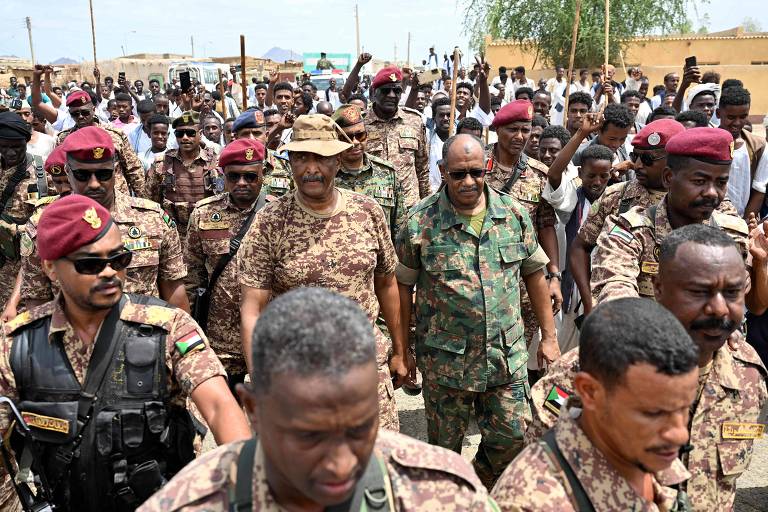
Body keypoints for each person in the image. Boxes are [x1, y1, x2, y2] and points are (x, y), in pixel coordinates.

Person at [140, 287, 496, 512]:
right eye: (310, 435)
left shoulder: (440, 493)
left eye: (359, 428)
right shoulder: (191, 502)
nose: (341, 463)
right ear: (253, 409)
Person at [0, 194, 250, 511]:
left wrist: (247, 487)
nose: (109, 273)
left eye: (118, 260)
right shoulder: (16, 344)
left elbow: (218, 405)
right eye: (90, 263)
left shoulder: (168, 328)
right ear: (50, 268)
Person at [527, 224, 768, 510]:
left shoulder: (748, 373)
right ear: (658, 289)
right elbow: (540, 459)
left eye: (732, 293)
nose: (719, 309)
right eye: (699, 292)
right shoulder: (590, 368)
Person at [396, 133, 559, 489]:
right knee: (444, 453)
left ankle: (476, 486)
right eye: (458, 174)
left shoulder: (513, 213)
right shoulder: (418, 222)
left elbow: (535, 274)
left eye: (476, 171)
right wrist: (402, 350)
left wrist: (549, 337)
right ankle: (451, 496)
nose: (468, 182)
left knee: (513, 439)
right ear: (443, 171)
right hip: (446, 361)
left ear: (486, 167)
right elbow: (402, 288)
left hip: (506, 355)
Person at [238, 115, 412, 432]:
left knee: (377, 468)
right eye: (301, 157)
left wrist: (400, 351)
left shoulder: (367, 211)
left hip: (364, 371)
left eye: (321, 157)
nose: (311, 168)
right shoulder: (269, 222)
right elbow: (252, 309)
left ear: (337, 160)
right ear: (289, 161)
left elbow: (387, 283)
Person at [492, 298, 699, 511]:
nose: (680, 435)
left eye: (685, 409)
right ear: (590, 392)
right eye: (654, 413)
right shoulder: (535, 501)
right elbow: (548, 416)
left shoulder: (639, 449)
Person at [20, 126, 191, 312]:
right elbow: (37, 303)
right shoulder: (44, 227)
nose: (94, 184)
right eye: (82, 175)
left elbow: (174, 293)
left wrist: (182, 337)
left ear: (115, 170)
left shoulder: (153, 219)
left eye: (103, 174)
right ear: (68, 172)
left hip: (144, 336)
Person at [590, 128, 760, 308]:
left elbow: (754, 306)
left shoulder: (733, 232)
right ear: (669, 178)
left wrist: (761, 264)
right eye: (699, 181)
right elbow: (617, 295)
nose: (711, 192)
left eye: (721, 183)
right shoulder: (630, 231)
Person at [185, 139, 267, 394]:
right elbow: (192, 274)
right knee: (229, 418)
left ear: (263, 174)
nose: (242, 183)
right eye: (234, 176)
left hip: (268, 335)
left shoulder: (279, 213)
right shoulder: (204, 213)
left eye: (250, 176)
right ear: (223, 176)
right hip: (221, 338)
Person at [484, 100, 561, 349]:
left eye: (525, 131)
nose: (520, 136)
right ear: (497, 130)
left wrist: (554, 276)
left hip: (525, 283)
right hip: (482, 277)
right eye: (512, 129)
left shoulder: (539, 174)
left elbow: (546, 226)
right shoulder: (475, 166)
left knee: (517, 351)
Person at [543, 114, 614, 353]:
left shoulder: (617, 202)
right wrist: (581, 135)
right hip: (568, 288)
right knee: (561, 355)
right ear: (580, 173)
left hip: (601, 288)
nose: (597, 182)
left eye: (603, 176)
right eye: (591, 175)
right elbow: (554, 174)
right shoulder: (572, 198)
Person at [0, 112, 53, 311]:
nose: (10, 152)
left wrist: (15, 228)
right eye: (4, 147)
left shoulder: (43, 171)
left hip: (30, 267)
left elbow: (52, 220)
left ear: (27, 141)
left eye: (16, 147)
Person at [333, 104, 406, 240]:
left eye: (360, 135)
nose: (355, 142)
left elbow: (399, 226)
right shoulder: (328, 176)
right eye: (346, 137)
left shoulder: (386, 173)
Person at [146, 111, 222, 239]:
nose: (185, 138)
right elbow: (151, 202)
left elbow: (223, 198)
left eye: (190, 133)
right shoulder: (162, 164)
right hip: (175, 233)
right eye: (180, 134)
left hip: (207, 231)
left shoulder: (215, 162)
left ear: (200, 134)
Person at [56, 90, 146, 197]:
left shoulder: (115, 135)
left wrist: (143, 201)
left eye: (85, 112)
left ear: (93, 110)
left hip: (115, 199)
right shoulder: (64, 139)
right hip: (81, 199)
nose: (80, 117)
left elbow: (133, 169)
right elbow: (59, 174)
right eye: (75, 114)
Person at [364, 66, 429, 208]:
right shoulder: (360, 124)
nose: (392, 95)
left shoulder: (414, 121)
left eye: (397, 91)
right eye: (386, 91)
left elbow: (422, 168)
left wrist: (427, 205)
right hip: (373, 207)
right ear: (374, 93)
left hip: (409, 206)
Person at [716, 86, 766, 218]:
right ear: (718, 114)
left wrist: (741, 225)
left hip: (743, 221)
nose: (737, 123)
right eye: (731, 117)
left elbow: (759, 191)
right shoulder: (706, 143)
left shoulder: (759, 147)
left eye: (743, 116)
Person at [231, 109, 293, 199]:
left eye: (257, 133)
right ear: (237, 138)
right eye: (245, 134)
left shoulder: (284, 163)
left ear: (266, 136)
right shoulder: (228, 165)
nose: (251, 139)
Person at [571, 103, 633, 177]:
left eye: (623, 139)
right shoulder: (580, 154)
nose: (616, 144)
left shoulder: (623, 153)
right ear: (599, 130)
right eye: (612, 139)